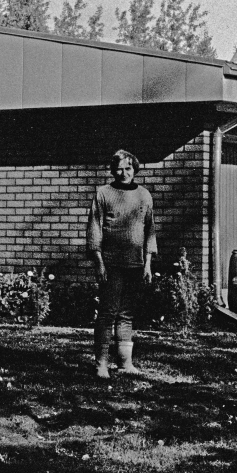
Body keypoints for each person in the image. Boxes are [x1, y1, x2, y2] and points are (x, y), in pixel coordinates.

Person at [86, 149, 156, 379]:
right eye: (119, 169)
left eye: (128, 168)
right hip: (111, 264)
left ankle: (125, 363)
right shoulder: (103, 193)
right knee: (108, 313)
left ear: (135, 169)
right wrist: (99, 262)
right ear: (112, 170)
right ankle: (101, 365)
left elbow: (149, 230)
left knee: (126, 314)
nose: (124, 173)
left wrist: (147, 264)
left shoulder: (144, 195)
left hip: (135, 264)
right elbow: (95, 229)